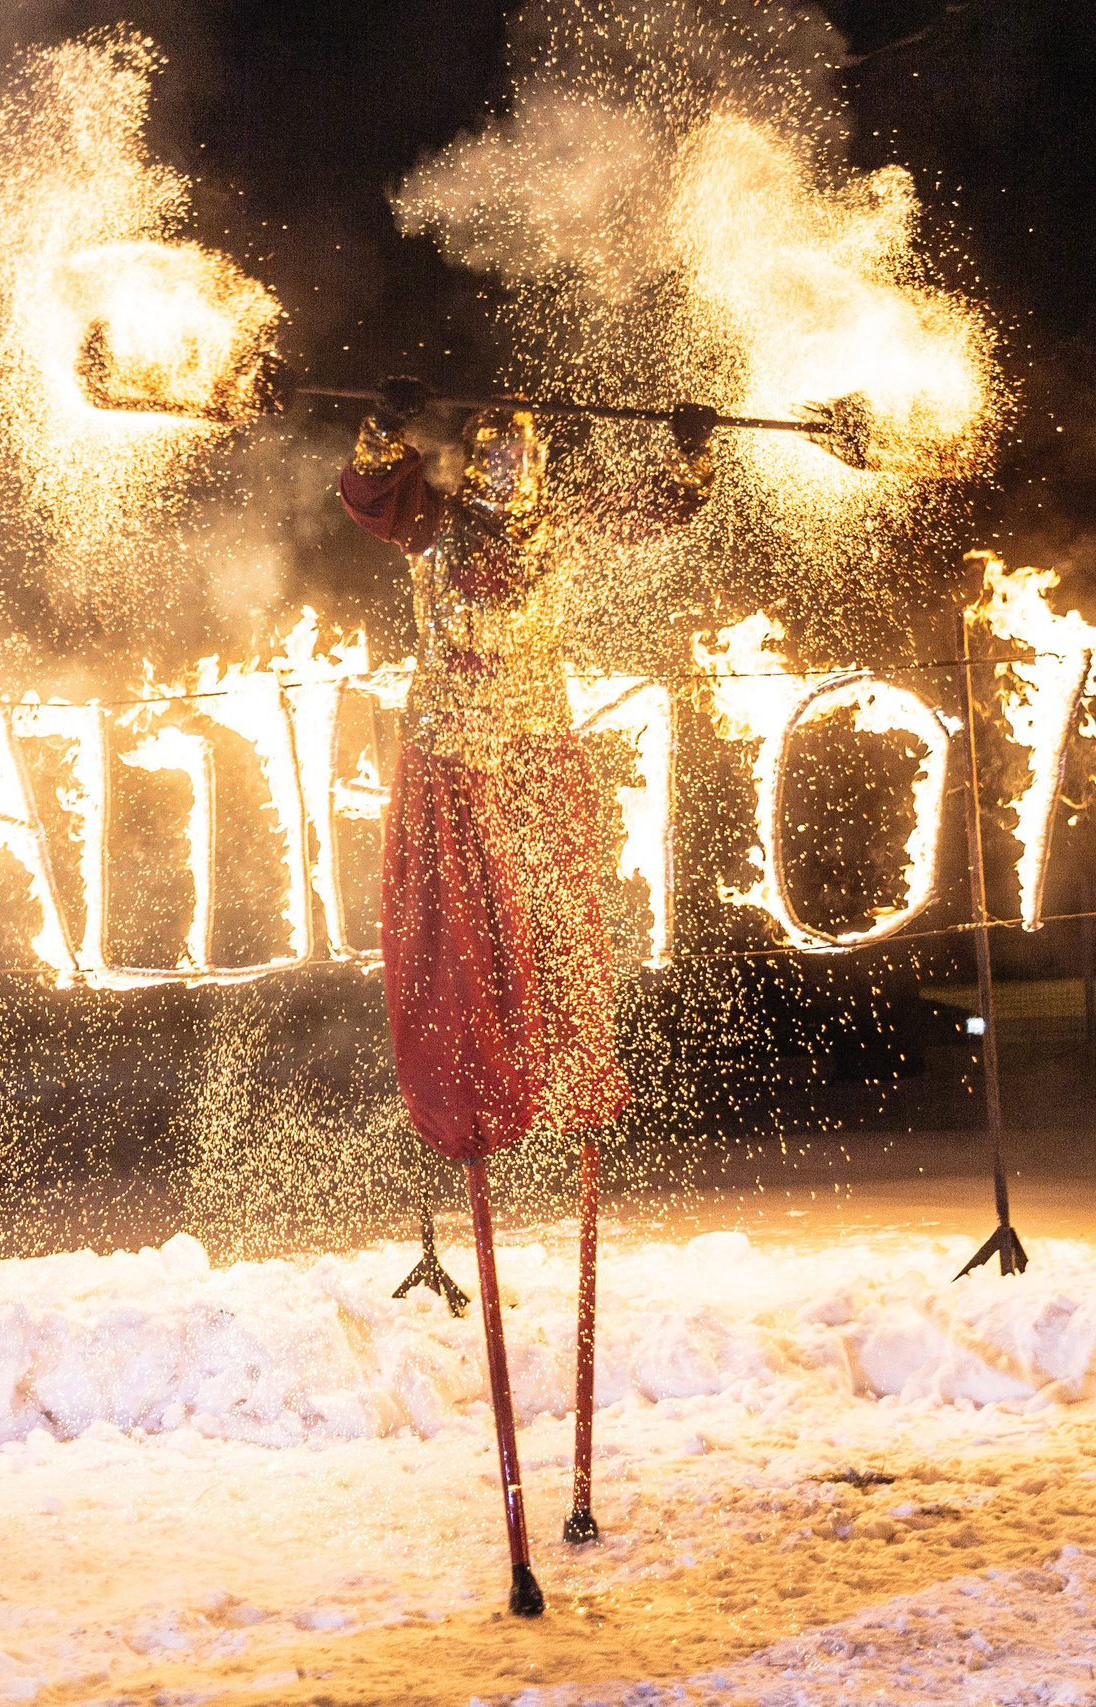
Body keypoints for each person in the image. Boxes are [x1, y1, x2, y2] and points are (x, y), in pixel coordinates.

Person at [338, 379, 714, 1612]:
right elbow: (367, 495)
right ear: (466, 464)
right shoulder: (432, 526)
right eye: (489, 456)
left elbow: (649, 511)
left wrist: (690, 454)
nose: (507, 477)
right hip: (453, 760)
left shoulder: (557, 528)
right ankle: (477, 1087)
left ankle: (562, 1065)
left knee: (561, 947)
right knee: (463, 959)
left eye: (522, 458)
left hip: (540, 760)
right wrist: (385, 431)